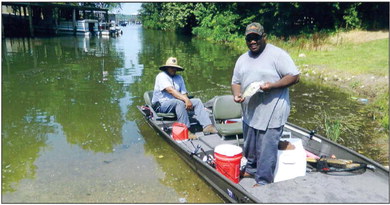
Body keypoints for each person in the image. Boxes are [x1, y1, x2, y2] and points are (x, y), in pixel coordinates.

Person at [231, 22, 300, 186]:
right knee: (250, 146)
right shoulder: (242, 59)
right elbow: (236, 82)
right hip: (250, 112)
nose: (252, 42)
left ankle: (263, 182)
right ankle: (251, 169)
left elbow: (294, 76)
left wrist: (273, 86)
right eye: (249, 39)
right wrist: (237, 94)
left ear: (264, 37)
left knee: (266, 148)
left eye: (256, 38)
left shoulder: (277, 55)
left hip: (273, 111)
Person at [152, 57, 218, 139]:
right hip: (161, 105)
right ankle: (186, 130)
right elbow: (170, 90)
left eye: (175, 68)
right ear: (167, 68)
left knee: (197, 101)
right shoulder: (161, 76)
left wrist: (187, 101)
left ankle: (207, 126)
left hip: (177, 103)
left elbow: (184, 93)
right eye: (171, 67)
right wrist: (186, 100)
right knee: (179, 102)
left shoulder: (179, 78)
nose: (174, 69)